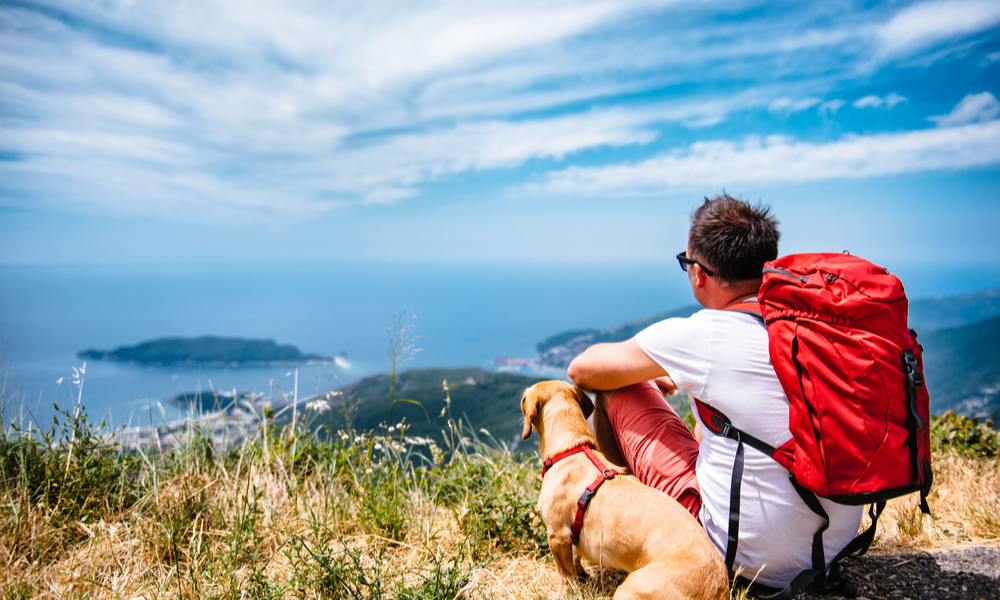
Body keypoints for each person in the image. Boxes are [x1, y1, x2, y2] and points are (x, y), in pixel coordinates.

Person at [567, 194, 863, 589]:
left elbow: (583, 369)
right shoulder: (813, 327)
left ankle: (630, 523)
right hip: (833, 545)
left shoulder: (705, 334)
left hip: (749, 558)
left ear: (699, 274)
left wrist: (643, 376)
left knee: (616, 389)